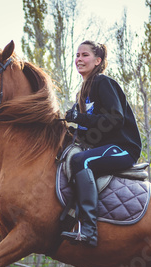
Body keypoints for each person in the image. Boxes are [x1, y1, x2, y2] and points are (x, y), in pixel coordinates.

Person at [61, 40, 142, 247]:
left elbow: (116, 120)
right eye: (77, 55)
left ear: (98, 61)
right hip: (103, 147)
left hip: (123, 148)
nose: (79, 59)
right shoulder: (83, 92)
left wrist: (80, 119)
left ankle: (89, 230)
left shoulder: (102, 83)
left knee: (82, 161)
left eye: (85, 55)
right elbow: (89, 129)